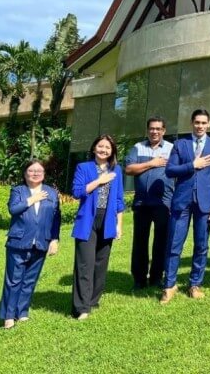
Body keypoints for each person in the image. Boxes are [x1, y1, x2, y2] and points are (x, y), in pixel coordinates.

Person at [160, 109, 210, 303]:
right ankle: (169, 285)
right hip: (182, 202)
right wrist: (192, 165)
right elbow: (170, 170)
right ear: (192, 123)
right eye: (197, 122)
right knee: (174, 244)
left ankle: (195, 284)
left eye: (204, 123)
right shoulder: (180, 144)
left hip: (205, 204)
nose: (200, 126)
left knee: (201, 245)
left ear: (209, 124)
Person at [0, 159, 61, 329]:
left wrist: (54, 239)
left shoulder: (51, 193)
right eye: (31, 171)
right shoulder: (18, 191)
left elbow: (56, 218)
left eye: (39, 171)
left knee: (30, 280)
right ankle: (9, 316)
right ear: (25, 174)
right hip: (19, 242)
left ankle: (22, 312)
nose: (35, 173)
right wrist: (32, 199)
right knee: (14, 280)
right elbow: (13, 209)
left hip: (41, 242)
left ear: (44, 174)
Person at [71, 134, 125, 320]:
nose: (103, 150)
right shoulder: (83, 167)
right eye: (100, 146)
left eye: (108, 147)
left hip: (108, 219)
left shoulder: (116, 170)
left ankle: (92, 300)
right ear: (94, 148)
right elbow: (77, 192)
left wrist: (119, 225)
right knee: (85, 264)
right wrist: (99, 181)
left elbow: (119, 200)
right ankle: (81, 307)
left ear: (112, 151)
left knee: (101, 264)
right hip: (88, 220)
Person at [125, 116, 173, 289]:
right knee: (140, 241)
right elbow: (129, 169)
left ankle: (156, 277)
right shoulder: (138, 147)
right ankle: (139, 279)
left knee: (161, 241)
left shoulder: (171, 148)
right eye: (152, 128)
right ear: (147, 130)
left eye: (158, 128)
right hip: (142, 203)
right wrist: (152, 163)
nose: (155, 131)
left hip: (163, 203)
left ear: (164, 131)